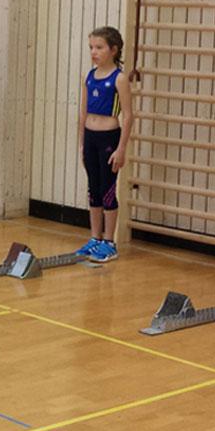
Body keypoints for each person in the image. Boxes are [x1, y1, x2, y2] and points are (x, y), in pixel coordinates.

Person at [75, 26, 133, 263]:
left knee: (108, 189)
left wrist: (121, 148)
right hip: (90, 137)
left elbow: (128, 115)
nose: (94, 52)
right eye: (91, 47)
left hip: (109, 138)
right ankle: (95, 238)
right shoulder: (88, 77)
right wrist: (81, 143)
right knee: (93, 188)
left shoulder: (119, 79)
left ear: (113, 50)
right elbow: (83, 112)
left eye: (99, 47)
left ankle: (109, 242)